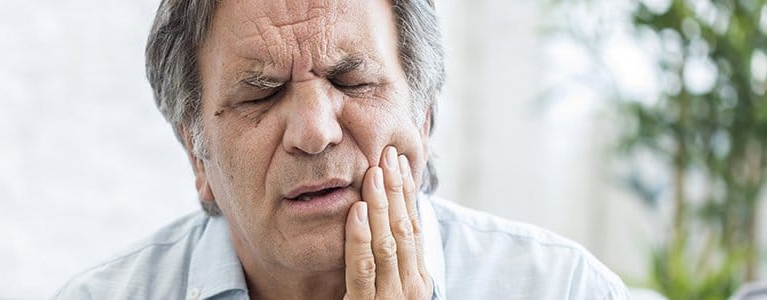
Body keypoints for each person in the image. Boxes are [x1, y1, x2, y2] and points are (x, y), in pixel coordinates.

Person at [55, 0, 630, 299]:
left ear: (424, 118)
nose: (314, 131)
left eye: (353, 82)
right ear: (196, 156)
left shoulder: (566, 289)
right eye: (262, 93)